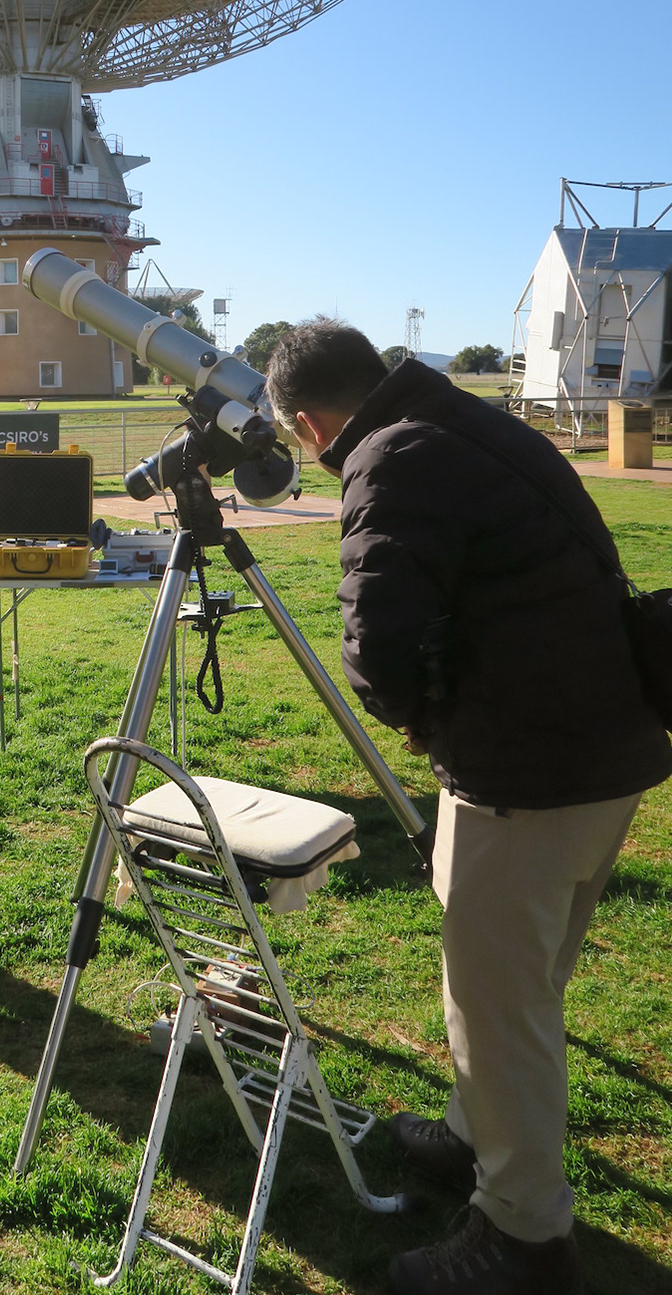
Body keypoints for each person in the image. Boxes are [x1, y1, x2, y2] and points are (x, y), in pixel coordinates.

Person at [264, 324, 670, 1295]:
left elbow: (377, 648)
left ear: (307, 424)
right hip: (599, 748)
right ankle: (472, 1131)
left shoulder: (392, 458)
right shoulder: (459, 423)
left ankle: (524, 1236)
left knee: (500, 1006)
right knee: (518, 981)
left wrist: (418, 718)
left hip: (527, 772)